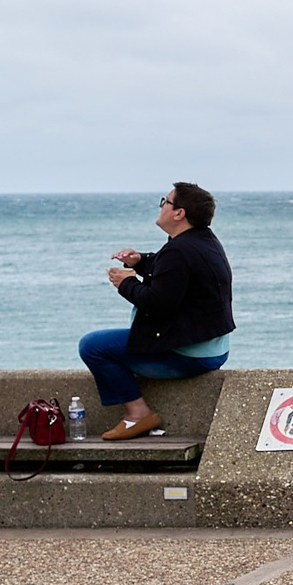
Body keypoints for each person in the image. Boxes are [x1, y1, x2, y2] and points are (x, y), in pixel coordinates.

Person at [78, 183, 234, 440]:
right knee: (111, 343)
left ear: (179, 213)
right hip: (213, 349)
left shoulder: (179, 250)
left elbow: (158, 303)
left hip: (188, 355)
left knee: (93, 346)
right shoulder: (202, 240)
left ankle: (138, 413)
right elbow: (170, 273)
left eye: (166, 201)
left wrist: (125, 283)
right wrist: (140, 261)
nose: (161, 206)